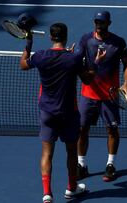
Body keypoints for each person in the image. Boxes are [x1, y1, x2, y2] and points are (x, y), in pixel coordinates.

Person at [19, 15, 98, 202]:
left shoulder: (40, 57)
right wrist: (95, 62)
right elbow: (88, 78)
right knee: (71, 152)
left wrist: (28, 42)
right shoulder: (73, 59)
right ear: (65, 36)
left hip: (47, 113)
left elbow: (23, 64)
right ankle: (71, 189)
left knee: (47, 153)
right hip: (69, 114)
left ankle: (47, 194)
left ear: (50, 38)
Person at [76, 10, 127, 182]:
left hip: (110, 96)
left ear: (109, 23)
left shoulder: (118, 42)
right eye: (96, 22)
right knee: (82, 129)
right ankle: (81, 165)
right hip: (89, 94)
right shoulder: (86, 40)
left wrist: (124, 83)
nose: (98, 25)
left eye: (102, 22)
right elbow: (77, 62)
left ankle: (110, 165)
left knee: (112, 130)